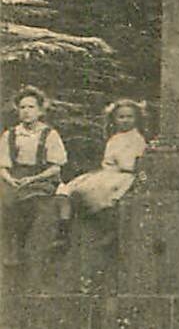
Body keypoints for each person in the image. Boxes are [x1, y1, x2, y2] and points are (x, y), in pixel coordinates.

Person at [56, 98, 147, 234]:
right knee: (68, 189)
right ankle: (64, 228)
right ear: (114, 119)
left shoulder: (137, 139)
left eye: (130, 117)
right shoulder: (115, 138)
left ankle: (101, 229)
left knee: (94, 195)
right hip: (108, 173)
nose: (125, 120)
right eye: (121, 117)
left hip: (123, 176)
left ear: (136, 119)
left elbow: (130, 163)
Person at [0, 86, 68, 268]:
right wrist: (9, 179)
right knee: (6, 202)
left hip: (42, 178)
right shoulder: (10, 134)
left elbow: (56, 167)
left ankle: (37, 253)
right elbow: (3, 166)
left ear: (40, 110)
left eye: (31, 107)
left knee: (38, 205)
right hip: (14, 177)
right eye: (22, 107)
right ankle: (10, 252)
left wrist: (33, 179)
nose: (26, 112)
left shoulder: (49, 134)